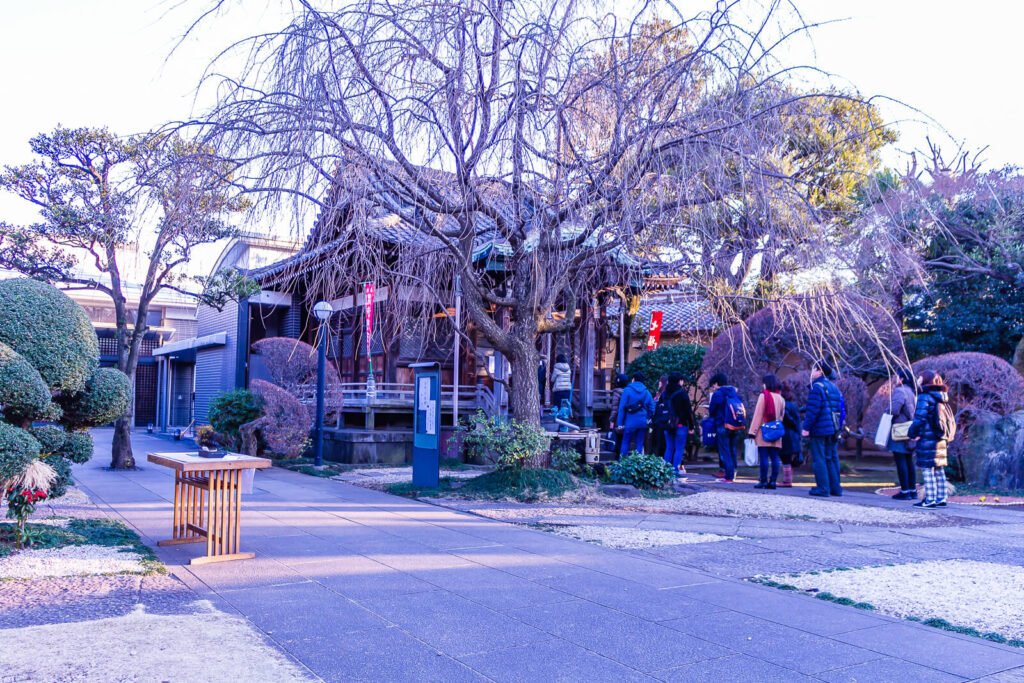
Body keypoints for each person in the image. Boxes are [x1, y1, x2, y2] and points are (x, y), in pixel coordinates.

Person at [908, 370, 954, 508]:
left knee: (927, 469)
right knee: (938, 469)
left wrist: (911, 433)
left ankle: (930, 499)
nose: (918, 379)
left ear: (925, 380)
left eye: (920, 377)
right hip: (940, 437)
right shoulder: (942, 396)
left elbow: (919, 419)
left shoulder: (924, 396)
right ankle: (941, 498)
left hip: (927, 438)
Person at [802, 361, 845, 497]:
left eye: (813, 369)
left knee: (819, 458)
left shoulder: (817, 387)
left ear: (820, 371)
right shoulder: (834, 387)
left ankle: (823, 488)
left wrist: (806, 427)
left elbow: (813, 410)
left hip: (820, 428)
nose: (811, 372)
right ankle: (835, 488)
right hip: (833, 428)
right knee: (831, 457)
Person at [747, 374, 785, 489]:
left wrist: (752, 431)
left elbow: (758, 415)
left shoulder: (763, 396)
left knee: (763, 456)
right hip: (776, 431)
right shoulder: (781, 398)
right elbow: (782, 416)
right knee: (775, 457)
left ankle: (763, 480)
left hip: (764, 431)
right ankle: (773, 481)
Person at [708, 372, 745, 482]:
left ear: (716, 383)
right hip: (735, 424)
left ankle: (728, 476)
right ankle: (733, 472)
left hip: (722, 424)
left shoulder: (718, 394)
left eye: (713, 385)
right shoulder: (734, 393)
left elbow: (712, 410)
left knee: (725, 450)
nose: (713, 388)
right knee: (732, 448)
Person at [888, 368, 918, 500]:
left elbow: (894, 410)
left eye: (897, 376)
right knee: (908, 460)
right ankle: (912, 490)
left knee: (900, 460)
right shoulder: (911, 391)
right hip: (909, 428)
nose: (895, 379)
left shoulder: (900, 391)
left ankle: (905, 491)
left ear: (902, 379)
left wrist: (886, 411)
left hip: (900, 430)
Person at [661, 373, 695, 478]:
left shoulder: (664, 393)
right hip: (681, 424)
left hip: (667, 424)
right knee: (679, 448)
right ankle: (675, 470)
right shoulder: (682, 393)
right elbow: (688, 411)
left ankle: (666, 470)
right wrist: (691, 426)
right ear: (679, 381)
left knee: (669, 447)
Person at [617, 372, 655, 455]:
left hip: (629, 422)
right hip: (642, 422)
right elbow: (652, 408)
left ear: (633, 379)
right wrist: (648, 417)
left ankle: (623, 463)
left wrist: (619, 423)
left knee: (625, 442)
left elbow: (621, 408)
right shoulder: (646, 392)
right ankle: (638, 463)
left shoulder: (627, 390)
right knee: (639, 443)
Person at [779, 382, 802, 487]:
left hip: (786, 434)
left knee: (785, 458)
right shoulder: (793, 405)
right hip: (793, 435)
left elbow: (788, 419)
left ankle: (787, 480)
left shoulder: (784, 405)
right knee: (788, 458)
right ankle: (788, 479)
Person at [651, 375, 670, 457]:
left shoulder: (662, 395)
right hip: (662, 422)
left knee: (659, 444)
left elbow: (653, 406)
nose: (658, 383)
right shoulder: (660, 393)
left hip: (659, 422)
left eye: (660, 381)